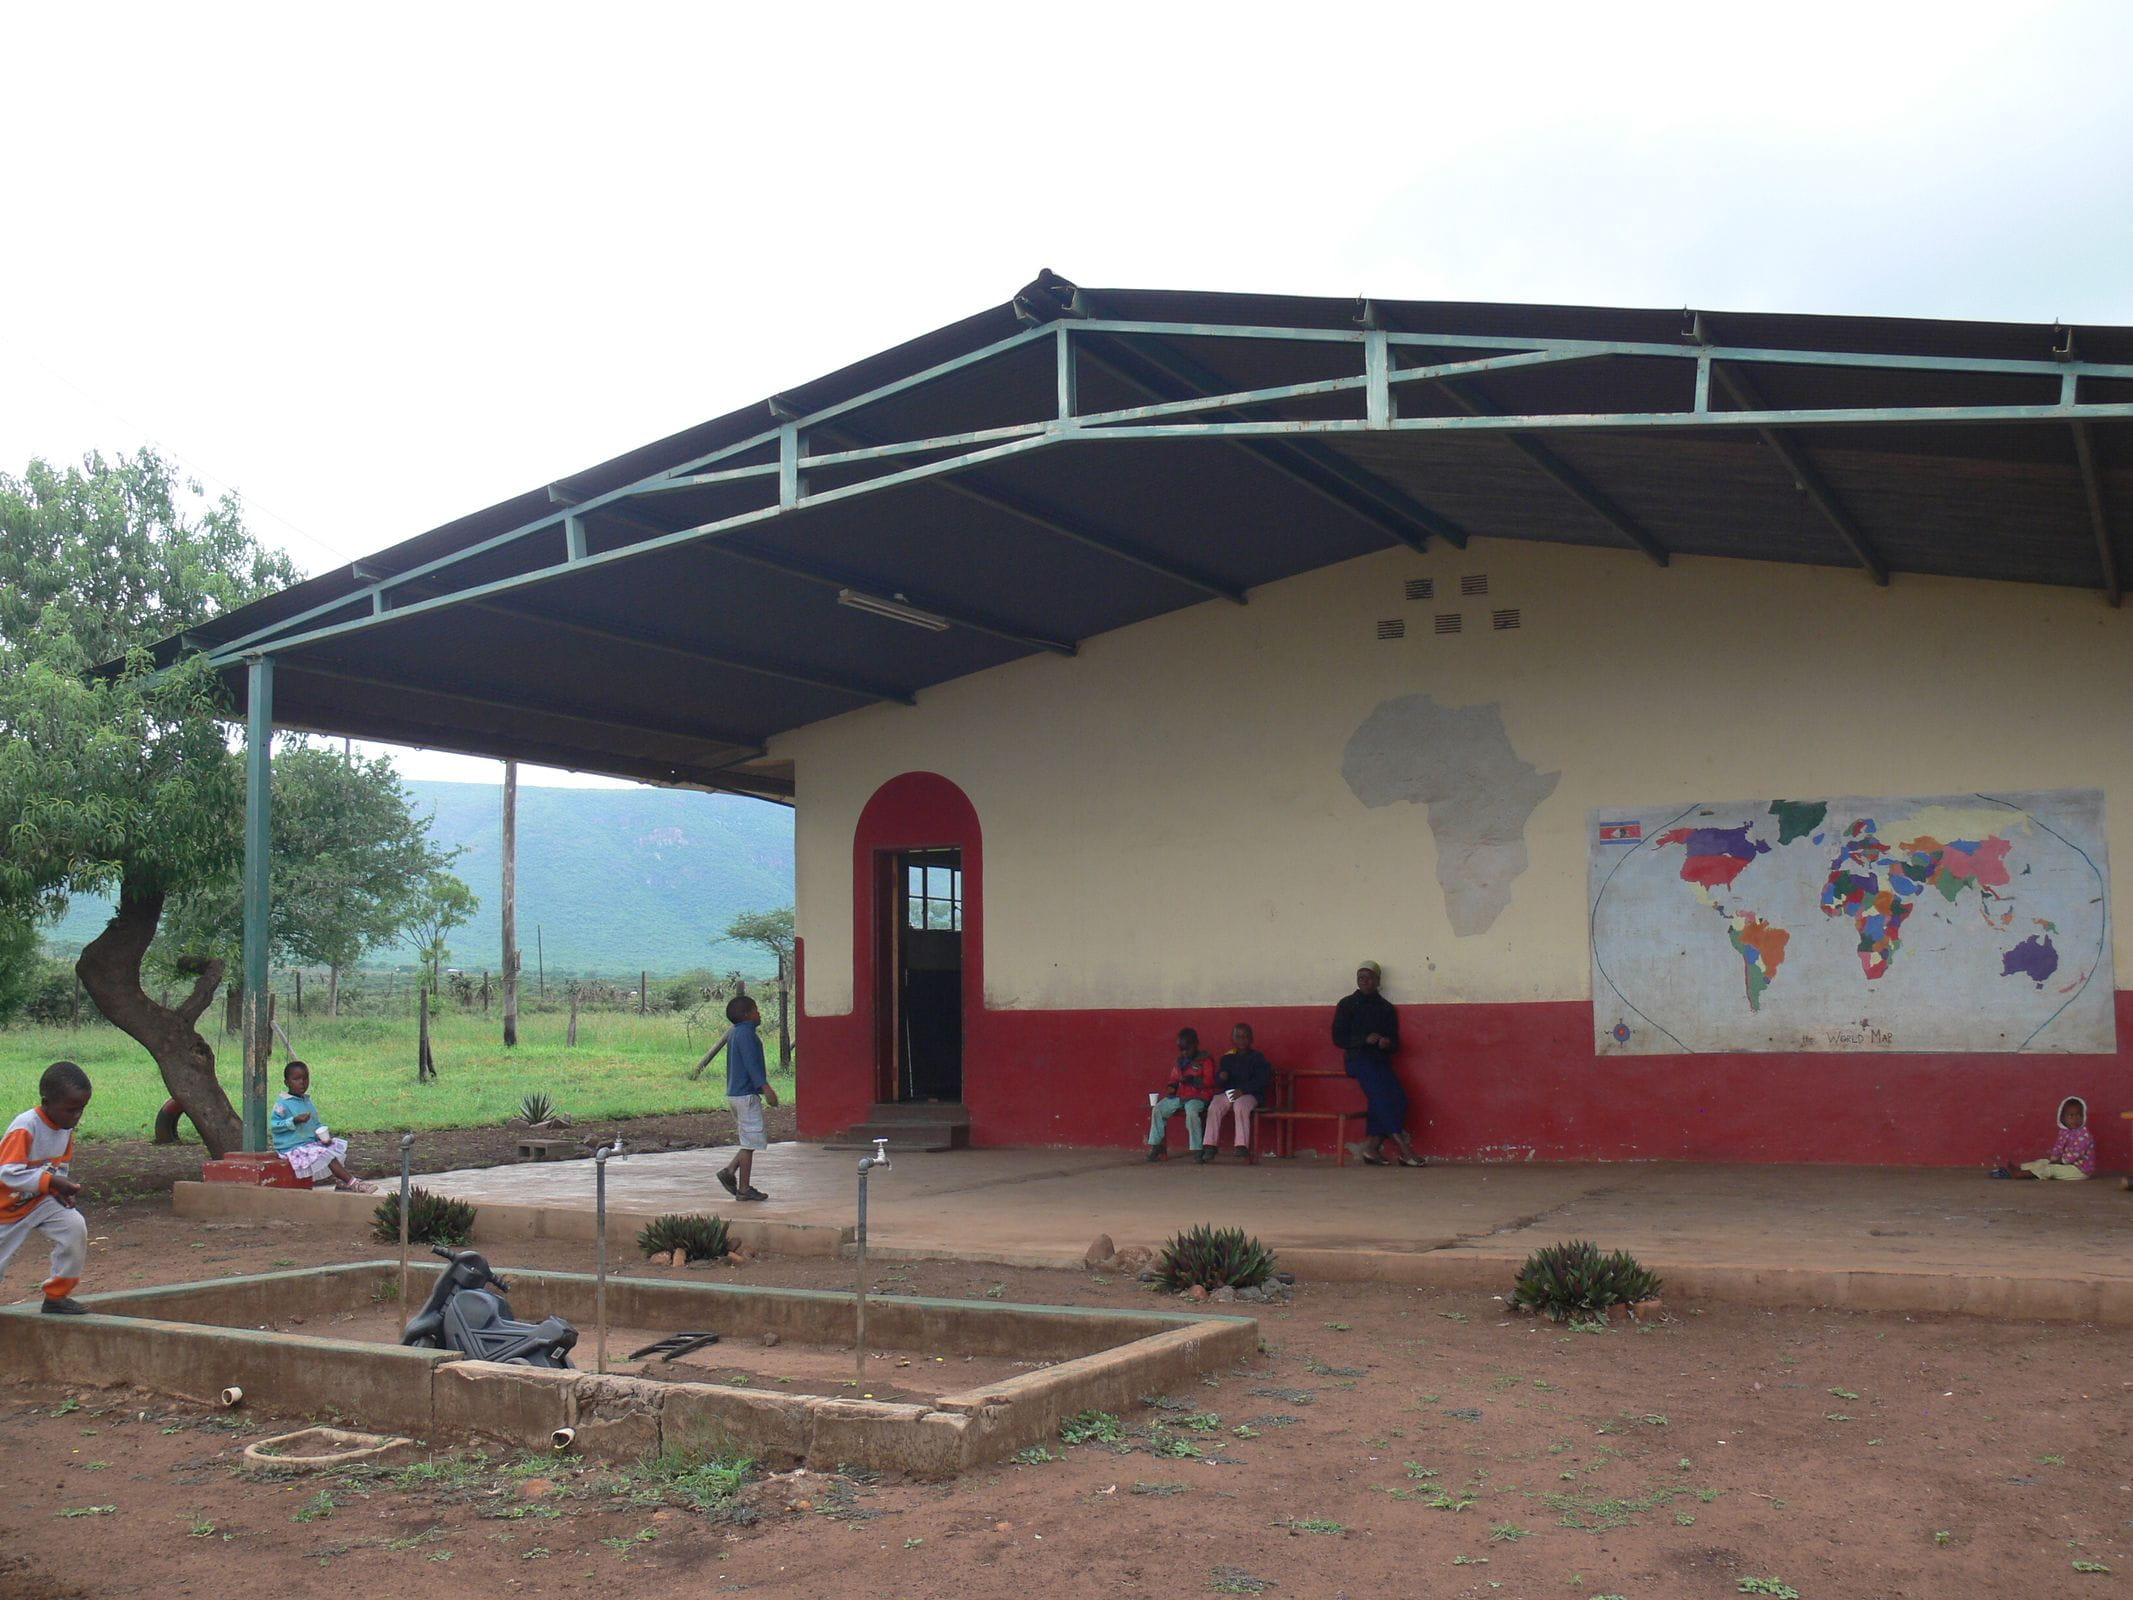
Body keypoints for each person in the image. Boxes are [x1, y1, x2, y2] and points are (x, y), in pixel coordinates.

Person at [0, 1061, 93, 1314]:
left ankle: (56, 1297)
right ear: (47, 1102)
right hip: (5, 1209)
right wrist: (51, 1182)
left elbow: (59, 1167)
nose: (76, 1117)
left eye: (81, 1110)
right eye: (71, 1109)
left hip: (39, 1201)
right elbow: (8, 1173)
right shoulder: (25, 1127)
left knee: (74, 1227)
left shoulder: (65, 1129)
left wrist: (59, 1190)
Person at [1333, 961, 1423, 1167]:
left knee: (1398, 1098)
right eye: (1361, 978)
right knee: (1382, 1098)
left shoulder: (1386, 1008)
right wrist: (1365, 1039)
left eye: (1369, 977)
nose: (1364, 981)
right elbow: (1338, 1038)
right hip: (1358, 1060)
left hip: (1380, 1061)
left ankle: (1372, 1149)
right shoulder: (1347, 1004)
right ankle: (1404, 1150)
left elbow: (1396, 1044)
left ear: (1378, 981)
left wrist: (1386, 1043)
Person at [270, 1061, 377, 1193]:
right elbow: (275, 1126)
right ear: (287, 1082)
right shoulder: (283, 1104)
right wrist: (294, 1120)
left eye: (305, 1078)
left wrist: (323, 1135)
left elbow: (315, 1123)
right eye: (296, 1079)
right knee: (325, 1154)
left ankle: (341, 1181)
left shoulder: (307, 1101)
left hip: (308, 1143)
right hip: (291, 1147)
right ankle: (353, 1183)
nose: (302, 1082)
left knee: (333, 1147)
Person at [716, 995, 778, 1201]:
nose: (759, 1013)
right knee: (750, 1141)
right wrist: (766, 1088)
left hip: (735, 1094)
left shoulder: (735, 1034)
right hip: (746, 1096)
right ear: (746, 1015)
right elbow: (752, 1065)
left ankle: (730, 1170)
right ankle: (743, 1188)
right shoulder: (747, 1036)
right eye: (755, 1010)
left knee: (749, 1140)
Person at [1202, 1022, 1273, 1162]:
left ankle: (1242, 1145)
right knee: (1215, 1105)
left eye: (1245, 1037)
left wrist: (1243, 1090)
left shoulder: (1258, 1058)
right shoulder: (1227, 1058)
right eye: (1238, 1037)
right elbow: (1219, 1080)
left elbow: (1262, 1080)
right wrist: (1221, 1077)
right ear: (1232, 1039)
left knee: (1240, 1105)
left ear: (1251, 1039)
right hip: (1230, 1093)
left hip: (1250, 1095)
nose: (1242, 1040)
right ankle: (1209, 1145)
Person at [1146, 1028, 1214, 1162]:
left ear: (1196, 1044)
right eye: (1182, 1050)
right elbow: (1174, 1077)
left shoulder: (1205, 1060)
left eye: (1187, 1049)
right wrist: (1172, 1087)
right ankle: (1156, 1144)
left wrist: (1193, 1080)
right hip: (1182, 1096)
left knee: (1192, 1112)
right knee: (1158, 1109)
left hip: (1199, 1096)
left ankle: (1197, 1149)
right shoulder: (1180, 1061)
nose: (1185, 1053)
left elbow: (1209, 1081)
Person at [1991, 1096, 2095, 1180]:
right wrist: (2053, 1158)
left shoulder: (2084, 1135)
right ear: (2063, 1118)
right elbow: (2058, 1147)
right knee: (2043, 1162)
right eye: (2071, 1116)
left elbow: (2074, 1155)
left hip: (2079, 1170)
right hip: (2065, 1163)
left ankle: (2023, 1175)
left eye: (2079, 1116)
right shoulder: (2064, 1132)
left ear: (2083, 1117)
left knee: (2050, 1169)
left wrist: (2058, 1162)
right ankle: (2021, 1168)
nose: (2075, 1119)